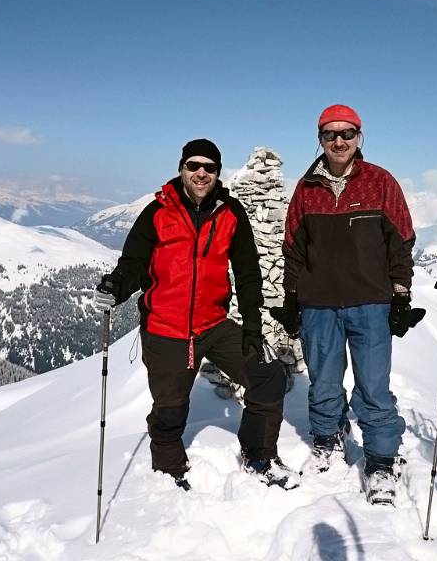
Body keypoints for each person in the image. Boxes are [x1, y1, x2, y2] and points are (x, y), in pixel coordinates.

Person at [94, 138, 299, 491]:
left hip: (214, 325)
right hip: (166, 329)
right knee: (170, 407)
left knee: (268, 378)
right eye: (194, 166)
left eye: (210, 167)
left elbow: (248, 272)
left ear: (218, 173)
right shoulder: (157, 212)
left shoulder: (230, 213)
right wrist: (118, 287)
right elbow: (134, 263)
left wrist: (252, 327)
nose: (201, 173)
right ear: (181, 169)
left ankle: (259, 455)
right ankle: (168, 466)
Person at [270, 105, 424, 505]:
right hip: (318, 305)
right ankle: (326, 439)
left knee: (374, 386)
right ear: (320, 139)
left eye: (347, 134)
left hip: (370, 305)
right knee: (323, 381)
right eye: (330, 134)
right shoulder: (306, 189)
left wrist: (401, 295)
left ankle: (381, 460)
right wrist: (291, 298)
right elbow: (294, 250)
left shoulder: (380, 182)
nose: (339, 142)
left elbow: (401, 243)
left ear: (360, 137)